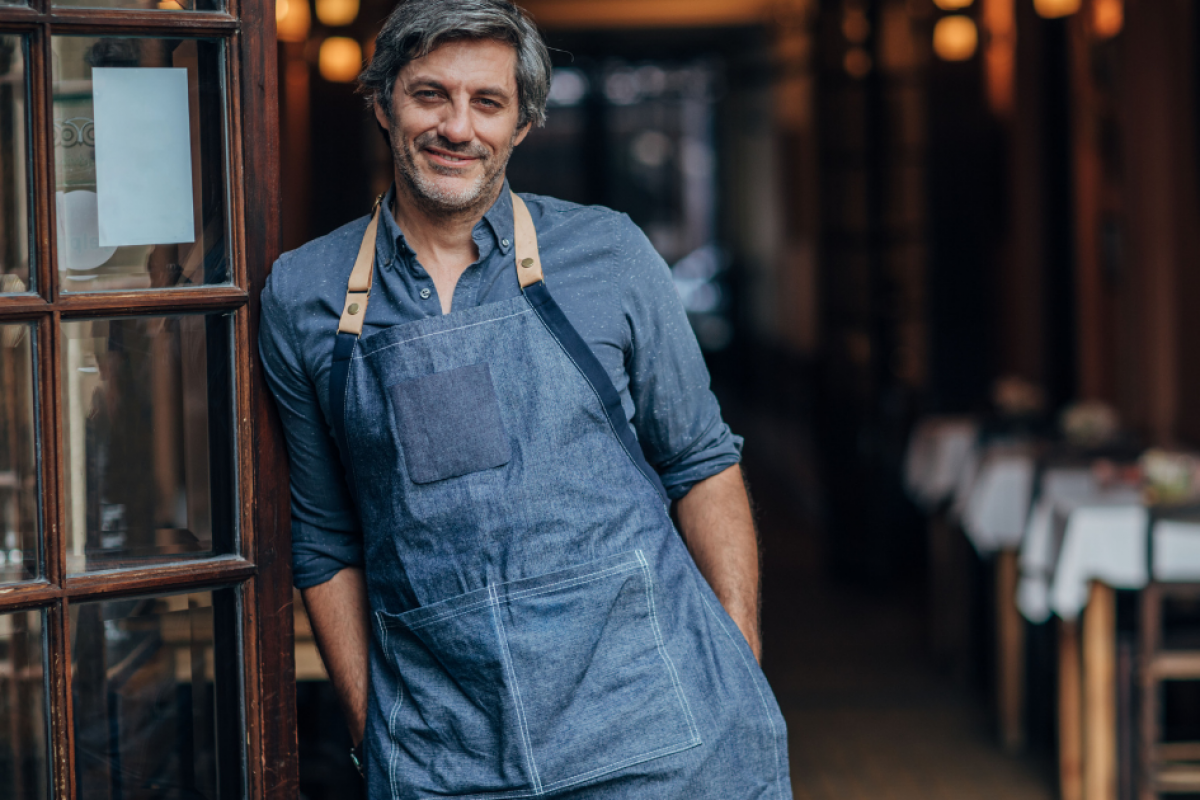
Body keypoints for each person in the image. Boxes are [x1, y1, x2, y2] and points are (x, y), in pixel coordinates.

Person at [258, 1, 792, 797]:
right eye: (430, 95)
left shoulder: (608, 252)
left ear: (524, 123)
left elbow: (700, 462)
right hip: (451, 754)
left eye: (488, 102)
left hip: (661, 731)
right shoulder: (304, 293)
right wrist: (378, 733)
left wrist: (735, 659)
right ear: (382, 103)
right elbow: (326, 540)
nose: (457, 127)